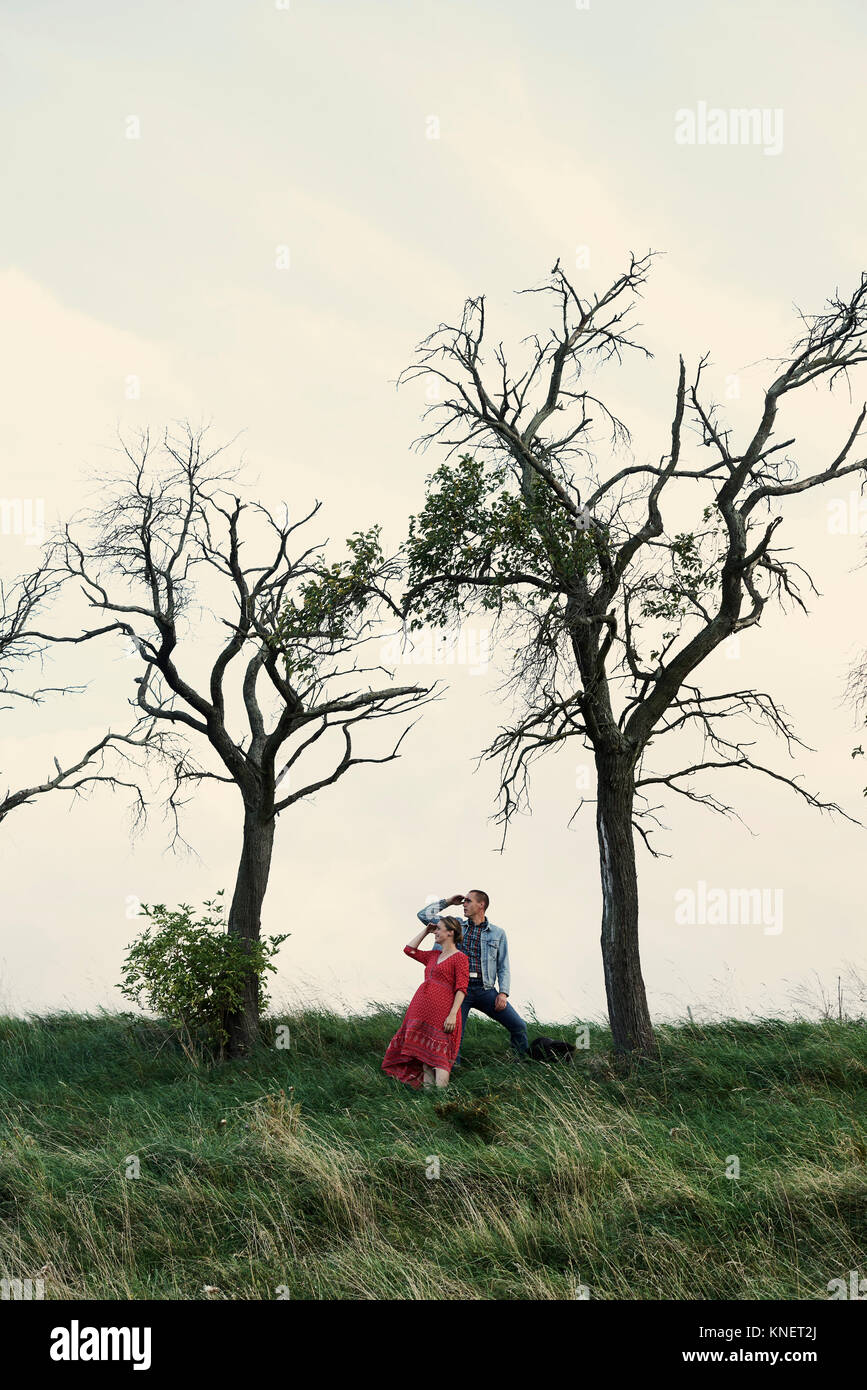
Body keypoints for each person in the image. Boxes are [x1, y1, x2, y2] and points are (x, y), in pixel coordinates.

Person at [417, 891, 529, 1063]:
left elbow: (503, 966)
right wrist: (448, 902)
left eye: (468, 901)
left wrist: (503, 993)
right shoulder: (456, 926)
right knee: (454, 1036)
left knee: (519, 1026)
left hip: (486, 990)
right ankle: (453, 1074)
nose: (464, 904)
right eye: (464, 901)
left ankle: (519, 1066)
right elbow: (423, 915)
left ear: (481, 905)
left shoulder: (497, 933)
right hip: (459, 991)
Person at [382, 916, 469, 1090]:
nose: (435, 932)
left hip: (443, 1011)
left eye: (439, 929)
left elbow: (461, 988)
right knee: (426, 1059)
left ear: (450, 932)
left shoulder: (460, 958)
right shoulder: (433, 955)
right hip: (422, 1011)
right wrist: (425, 931)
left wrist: (453, 1014)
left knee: (440, 1058)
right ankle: (429, 1101)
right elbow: (409, 950)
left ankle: (441, 1100)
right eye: (435, 930)